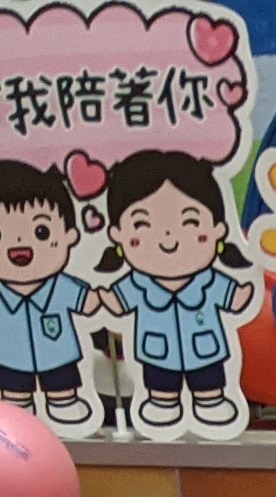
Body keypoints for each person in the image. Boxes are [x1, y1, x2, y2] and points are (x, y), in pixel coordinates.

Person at [93, 152, 255, 432]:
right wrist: (106, 301)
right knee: (160, 381)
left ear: (218, 229)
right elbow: (119, 300)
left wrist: (241, 295)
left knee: (208, 379)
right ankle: (162, 403)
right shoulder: (138, 283)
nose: (167, 237)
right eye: (143, 224)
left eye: (189, 222)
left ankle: (211, 401)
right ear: (118, 234)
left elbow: (231, 295)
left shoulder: (209, 280)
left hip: (206, 351)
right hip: (157, 353)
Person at [0, 160, 98, 426]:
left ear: (69, 235)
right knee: (14, 393)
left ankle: (63, 404)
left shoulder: (62, 285)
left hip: (58, 354)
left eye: (41, 232)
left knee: (62, 385)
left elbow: (87, 301)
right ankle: (17, 413)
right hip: (9, 356)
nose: (19, 245)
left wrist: (102, 300)